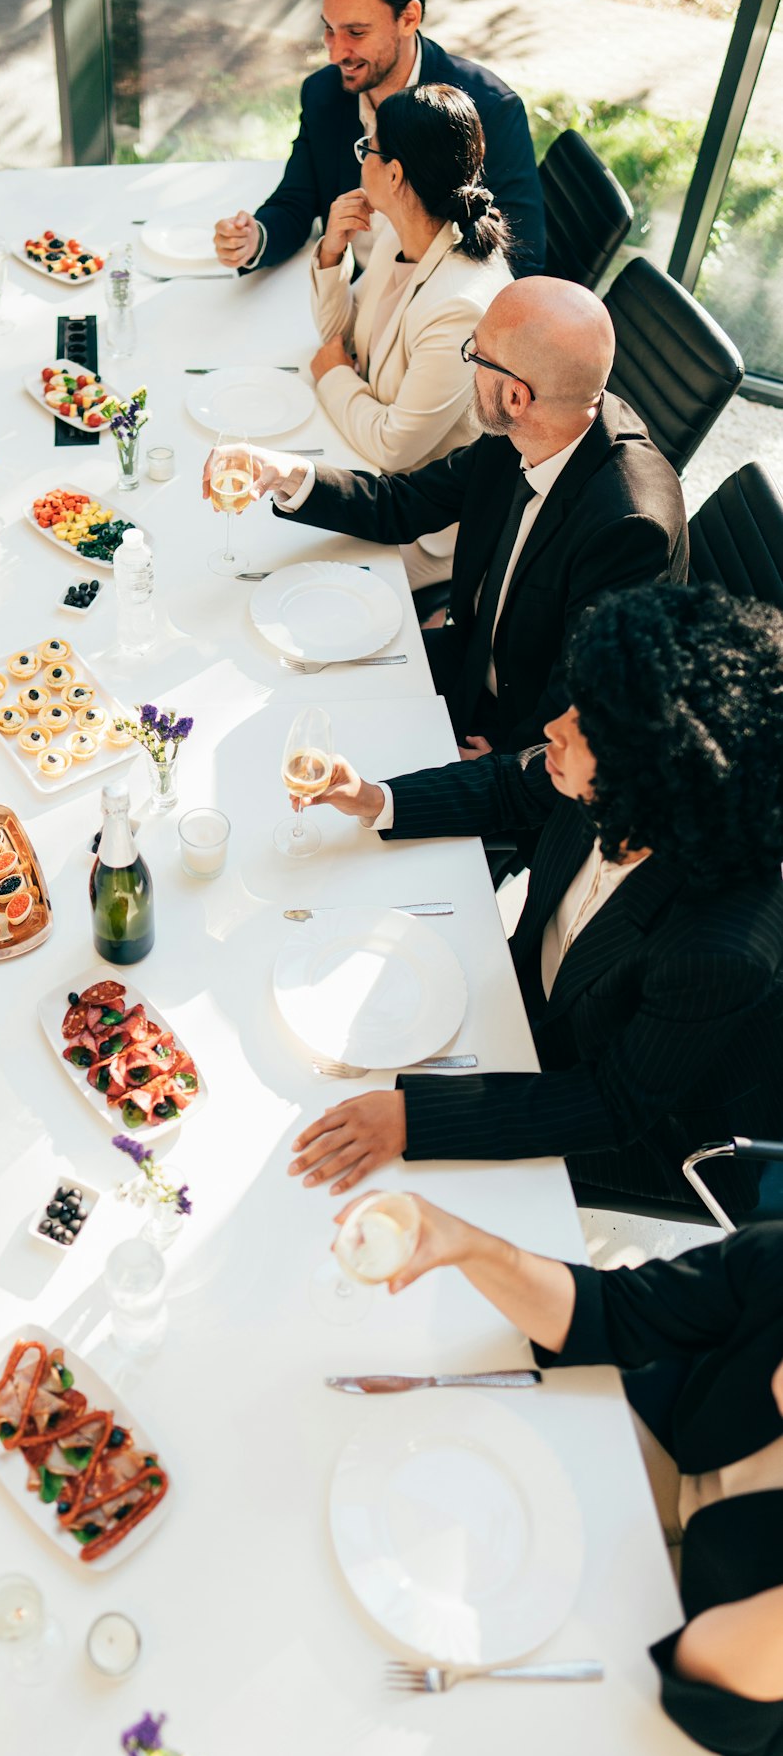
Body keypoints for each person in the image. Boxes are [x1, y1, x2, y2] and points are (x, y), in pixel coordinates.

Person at [284, 583, 783, 1214]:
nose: (553, 728)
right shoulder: (629, 786)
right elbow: (508, 786)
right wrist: (374, 798)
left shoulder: (721, 947)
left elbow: (613, 1106)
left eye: (583, 729)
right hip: (524, 1009)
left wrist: (417, 1118)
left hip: (647, 1128)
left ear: (653, 777)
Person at [357, 1194, 783, 1756]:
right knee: (447, 1476)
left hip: (738, 1670)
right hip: (681, 1449)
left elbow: (717, 1709)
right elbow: (614, 1315)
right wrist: (470, 1245)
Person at [205, 276, 687, 758]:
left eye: (475, 356)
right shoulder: (528, 428)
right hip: (469, 660)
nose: (469, 366)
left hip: (518, 736)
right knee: (291, 682)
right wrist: (287, 472)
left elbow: (584, 702)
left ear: (517, 396)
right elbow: (404, 503)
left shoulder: (629, 527)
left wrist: (501, 763)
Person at [214, 0, 544, 278]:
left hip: (432, 313)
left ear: (409, 18)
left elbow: (520, 260)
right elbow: (296, 201)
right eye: (329, 28)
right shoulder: (324, 93)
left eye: (356, 32)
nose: (336, 53)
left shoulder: (491, 109)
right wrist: (254, 239)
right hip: (342, 291)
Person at [307, 81, 513, 589]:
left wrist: (333, 376)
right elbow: (341, 338)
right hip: (368, 463)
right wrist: (332, 250)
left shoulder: (461, 305)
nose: (362, 160)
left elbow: (393, 446)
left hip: (425, 533)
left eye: (368, 150)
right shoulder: (401, 240)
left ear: (394, 174)